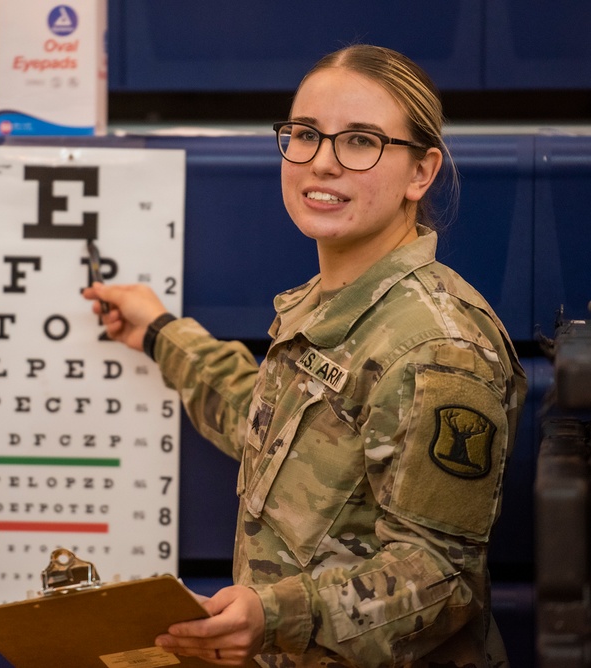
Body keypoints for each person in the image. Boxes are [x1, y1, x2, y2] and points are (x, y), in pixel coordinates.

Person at [83, 44, 527, 667]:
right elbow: (273, 431)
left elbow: (440, 578)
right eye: (306, 134)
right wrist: (159, 332)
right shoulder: (332, 305)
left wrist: (276, 615)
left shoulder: (439, 349)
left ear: (421, 172)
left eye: (361, 142)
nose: (322, 163)